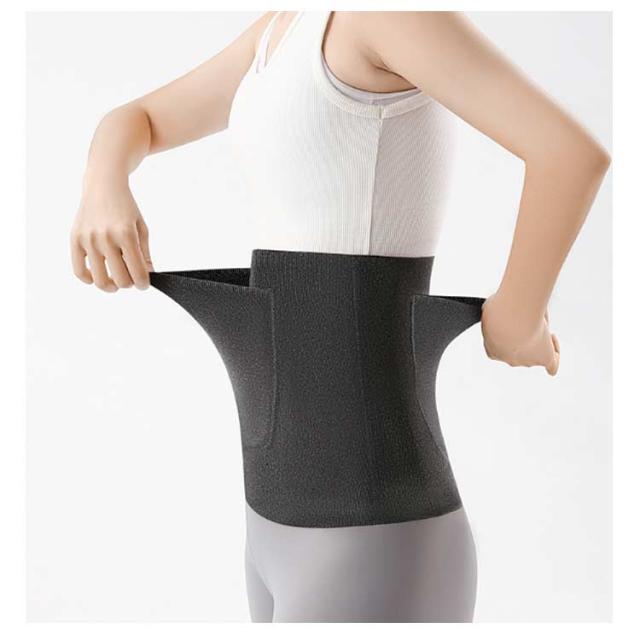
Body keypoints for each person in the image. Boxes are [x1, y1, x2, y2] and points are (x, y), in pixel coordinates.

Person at [69, 11, 610, 622]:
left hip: (371, 527)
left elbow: (569, 155)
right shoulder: (284, 26)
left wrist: (518, 316)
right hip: (270, 527)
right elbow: (138, 119)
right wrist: (103, 180)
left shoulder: (380, 15)